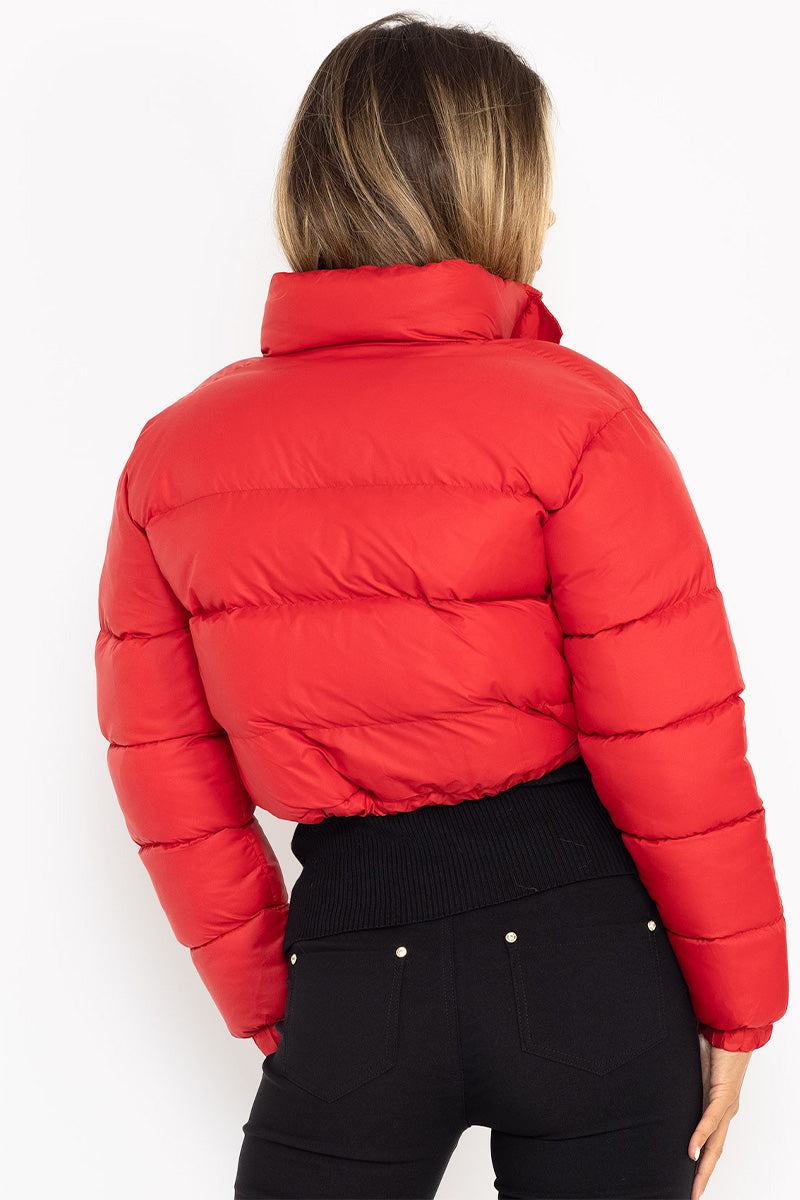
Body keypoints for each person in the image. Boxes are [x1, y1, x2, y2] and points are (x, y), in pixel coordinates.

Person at [94, 13, 788, 1200]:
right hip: (589, 964)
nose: (551, 216)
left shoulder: (175, 455)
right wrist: (738, 1007)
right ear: (490, 194)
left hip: (354, 966)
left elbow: (168, 779)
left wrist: (287, 1009)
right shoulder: (575, 416)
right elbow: (672, 741)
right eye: (536, 183)